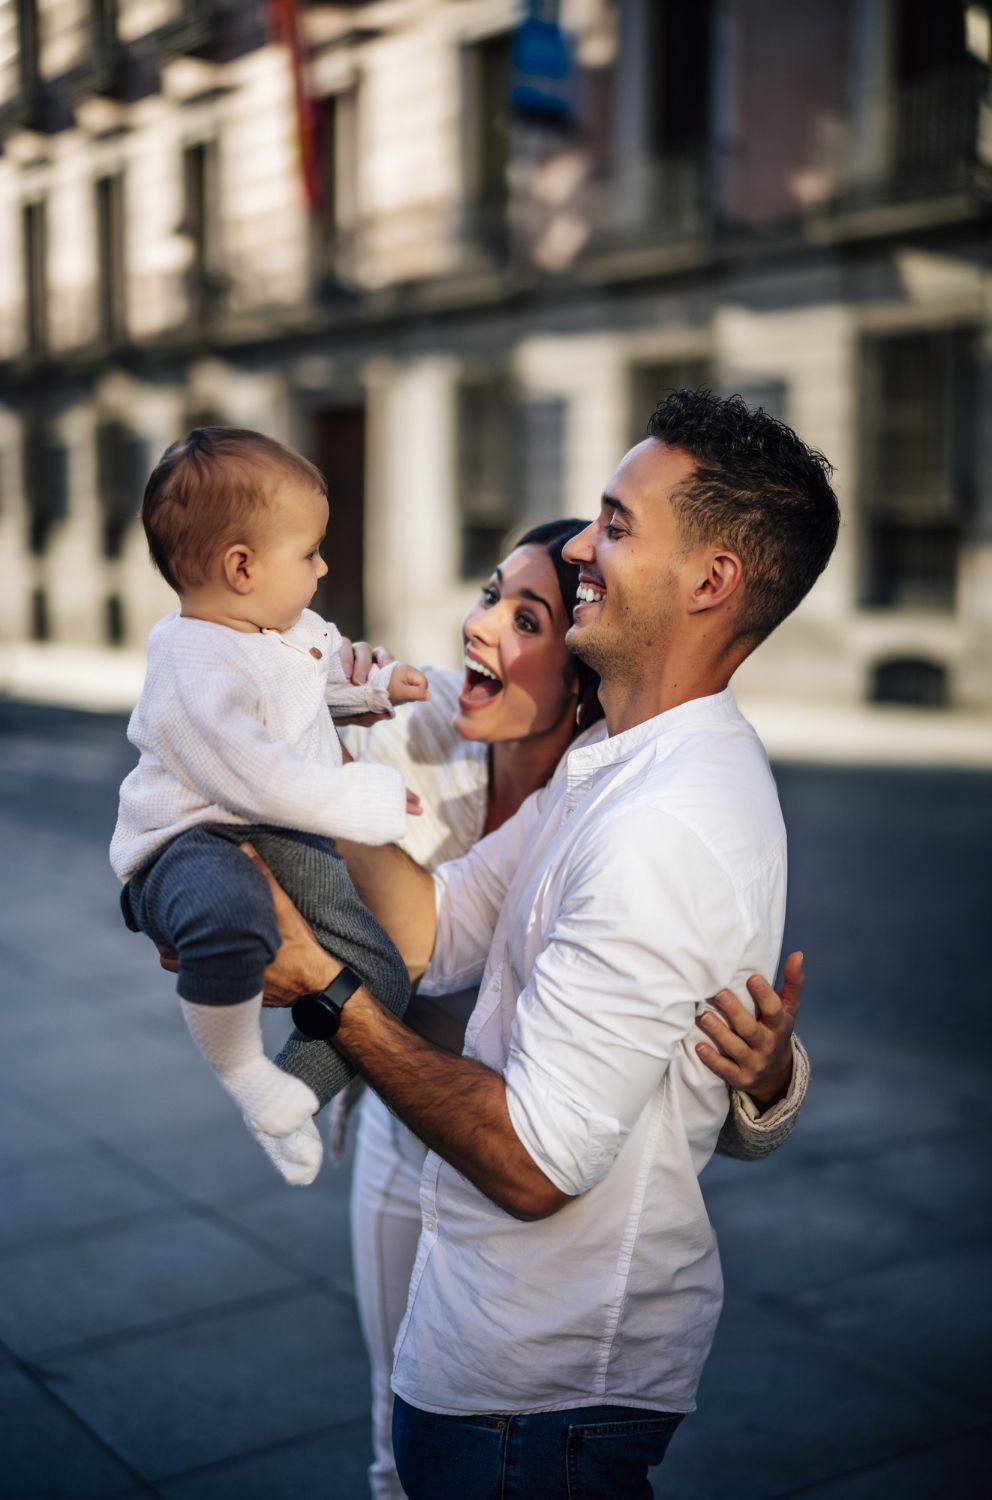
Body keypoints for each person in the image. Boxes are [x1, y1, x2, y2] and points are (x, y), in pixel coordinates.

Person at [249, 389, 838, 1498]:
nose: (576, 545)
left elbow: (532, 1166)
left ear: (710, 582)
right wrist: (299, 773)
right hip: (486, 1345)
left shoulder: (660, 818)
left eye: (614, 525)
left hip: (540, 1397)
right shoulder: (609, 768)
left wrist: (325, 989)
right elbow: (441, 925)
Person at [111, 427, 427, 1185]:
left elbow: (309, 691)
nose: (322, 567)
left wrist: (374, 691)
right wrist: (366, 799)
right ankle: (242, 1069)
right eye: (310, 553)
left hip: (277, 828)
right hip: (184, 844)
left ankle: (290, 1091)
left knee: (379, 976)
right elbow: (255, 775)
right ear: (242, 568)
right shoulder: (192, 664)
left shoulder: (288, 630)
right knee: (231, 916)